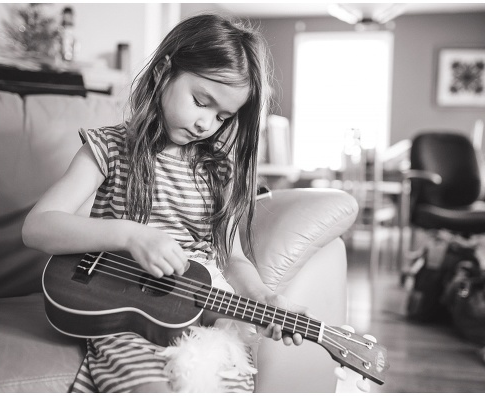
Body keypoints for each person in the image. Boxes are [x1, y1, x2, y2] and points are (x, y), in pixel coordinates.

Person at [22, 13, 302, 392]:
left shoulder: (220, 172)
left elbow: (232, 259)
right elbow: (38, 226)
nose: (207, 124)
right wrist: (130, 236)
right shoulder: (109, 148)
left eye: (222, 117)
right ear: (163, 71)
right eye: (201, 101)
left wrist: (265, 299)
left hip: (202, 319)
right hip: (122, 313)